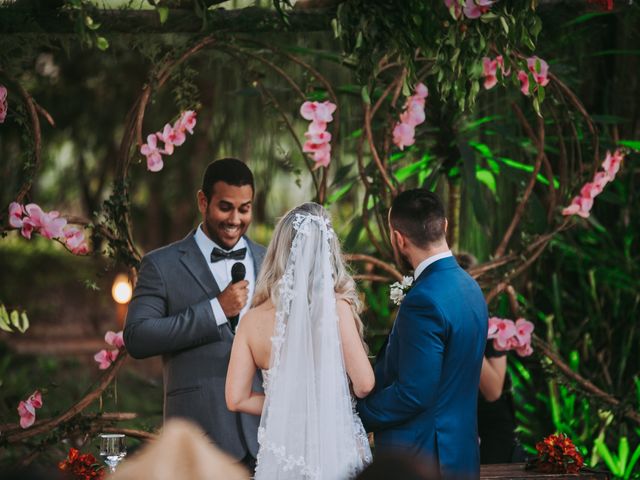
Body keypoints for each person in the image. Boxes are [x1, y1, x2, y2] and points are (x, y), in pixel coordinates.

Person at [123, 158, 265, 471]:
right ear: (203, 201)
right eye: (225, 207)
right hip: (199, 437)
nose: (235, 219)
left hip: (265, 437)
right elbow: (137, 336)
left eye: (245, 209)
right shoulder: (161, 265)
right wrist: (216, 309)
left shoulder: (269, 260)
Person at [225, 202, 375, 479]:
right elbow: (365, 384)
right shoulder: (336, 309)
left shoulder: (252, 320)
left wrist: (287, 402)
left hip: (284, 451)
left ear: (279, 251)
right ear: (328, 251)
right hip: (336, 447)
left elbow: (236, 398)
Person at [356, 189, 488, 479]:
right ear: (444, 227)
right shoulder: (471, 288)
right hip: (461, 456)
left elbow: (414, 393)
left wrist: (355, 416)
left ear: (398, 239)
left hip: (425, 460)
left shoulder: (423, 299)